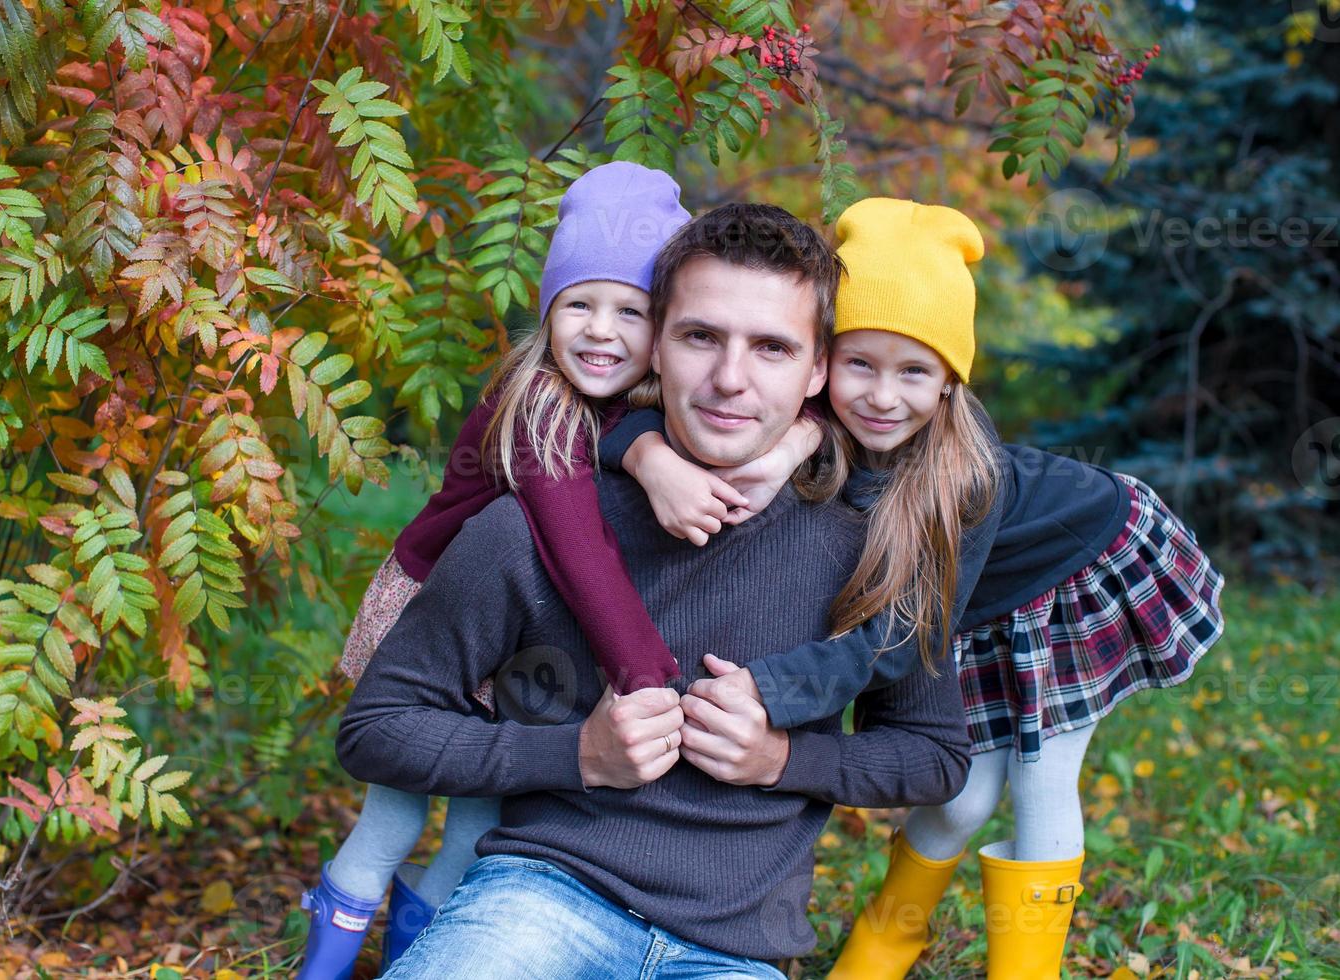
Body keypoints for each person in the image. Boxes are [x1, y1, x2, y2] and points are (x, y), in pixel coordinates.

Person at [334, 202, 973, 979]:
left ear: (817, 371)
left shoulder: (867, 547)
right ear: (655, 348)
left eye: (771, 347)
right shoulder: (531, 524)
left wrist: (780, 759)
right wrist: (576, 754)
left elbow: (934, 756)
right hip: (540, 901)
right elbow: (375, 728)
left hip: (734, 950)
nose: (729, 379)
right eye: (701, 336)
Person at [613, 197, 1225, 979]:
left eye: (915, 373)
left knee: (1040, 779)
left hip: (1077, 569)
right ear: (825, 363)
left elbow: (899, 639)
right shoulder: (812, 423)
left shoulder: (965, 480)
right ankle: (886, 937)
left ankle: (1024, 969)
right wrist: (648, 458)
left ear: (948, 385)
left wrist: (772, 690)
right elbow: (625, 424)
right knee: (965, 795)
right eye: (861, 364)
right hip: (962, 603)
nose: (882, 396)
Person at [296, 161, 701, 978]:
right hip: (436, 626)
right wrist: (647, 674)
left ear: (661, 328)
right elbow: (576, 547)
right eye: (577, 304)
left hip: (517, 646)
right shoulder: (539, 399)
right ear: (548, 310)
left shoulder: (635, 404)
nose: (600, 331)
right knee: (393, 819)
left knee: (477, 831)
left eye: (631, 311)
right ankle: (320, 970)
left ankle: (417, 961)